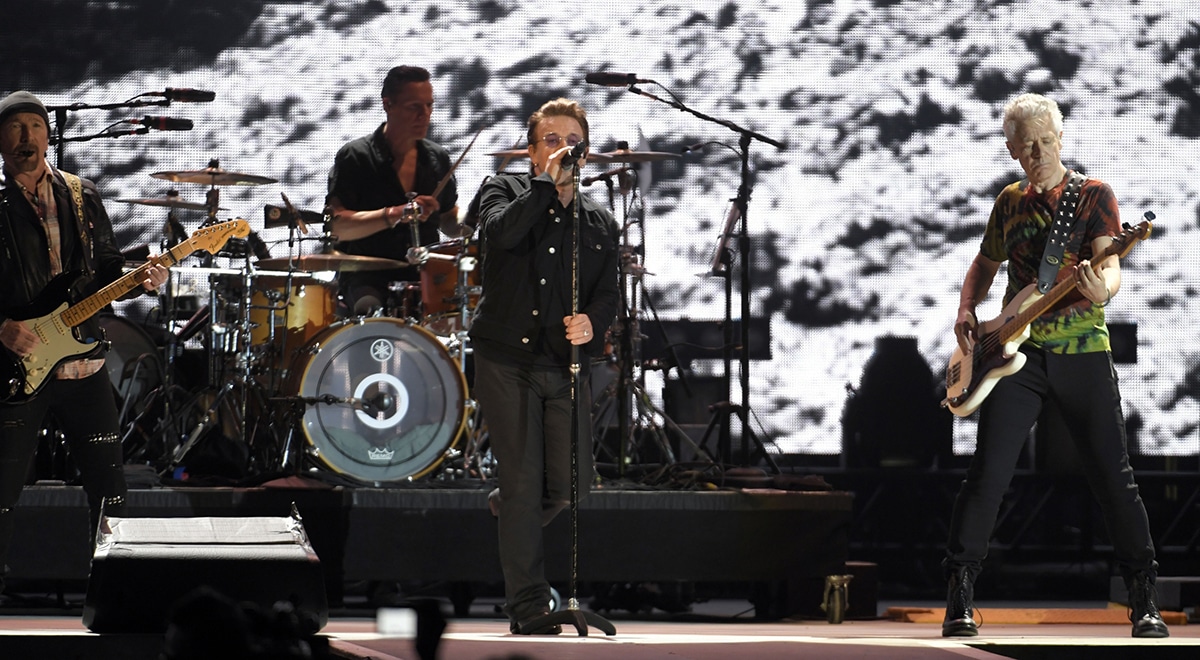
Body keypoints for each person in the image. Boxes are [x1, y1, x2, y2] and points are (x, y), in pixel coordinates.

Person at [943, 92, 1167, 639]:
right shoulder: (1009, 202)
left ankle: (1143, 597)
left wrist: (1101, 289)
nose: (1038, 154)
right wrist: (969, 307)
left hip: (1083, 352)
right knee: (987, 476)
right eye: (1027, 148)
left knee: (1114, 477)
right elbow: (985, 261)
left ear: (1060, 139)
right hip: (1014, 357)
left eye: (1046, 143)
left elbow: (1109, 261)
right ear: (1013, 152)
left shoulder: (1093, 196)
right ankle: (960, 598)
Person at [0, 90, 168, 595]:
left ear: (49, 135)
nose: (26, 137)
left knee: (109, 490)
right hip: (18, 365)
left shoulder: (82, 194)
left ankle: (116, 592)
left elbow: (107, 269)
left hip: (83, 365)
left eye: (35, 126)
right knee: (3, 492)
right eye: (15, 128)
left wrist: (142, 279)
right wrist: (2, 326)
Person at [469, 98, 619, 634]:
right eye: (549, 140)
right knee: (525, 479)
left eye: (570, 140)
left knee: (571, 488)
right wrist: (544, 186)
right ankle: (528, 607)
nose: (561, 148)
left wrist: (593, 322)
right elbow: (502, 234)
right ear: (532, 151)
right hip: (506, 357)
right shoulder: (502, 190)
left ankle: (511, 503)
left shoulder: (598, 219)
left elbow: (609, 291)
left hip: (562, 364)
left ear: (587, 152)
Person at [326, 65, 469, 316]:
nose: (424, 115)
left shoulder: (437, 158)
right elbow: (337, 227)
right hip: (367, 281)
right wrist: (397, 213)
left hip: (425, 280)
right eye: (414, 107)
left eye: (429, 106)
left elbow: (448, 221)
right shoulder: (356, 156)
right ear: (388, 105)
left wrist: (476, 216)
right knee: (369, 310)